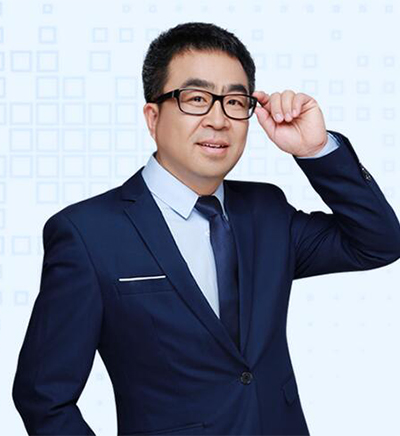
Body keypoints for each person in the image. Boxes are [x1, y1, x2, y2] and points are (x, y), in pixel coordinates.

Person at [12, 22, 400, 436]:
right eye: (196, 99)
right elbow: (44, 397)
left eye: (234, 101)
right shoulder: (87, 233)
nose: (218, 119)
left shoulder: (267, 211)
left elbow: (378, 242)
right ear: (153, 116)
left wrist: (316, 150)